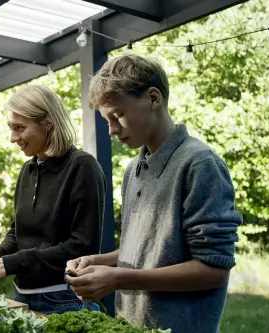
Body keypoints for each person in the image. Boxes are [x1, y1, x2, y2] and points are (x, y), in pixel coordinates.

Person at [65, 54, 242, 333]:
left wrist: (119, 279)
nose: (111, 130)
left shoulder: (200, 165)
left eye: (118, 115)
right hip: (131, 326)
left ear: (153, 98)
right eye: (106, 119)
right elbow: (150, 250)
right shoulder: (133, 168)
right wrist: (99, 262)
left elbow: (214, 271)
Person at [0, 85, 106, 315]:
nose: (13, 138)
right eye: (11, 129)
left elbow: (82, 246)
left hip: (64, 300)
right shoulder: (27, 170)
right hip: (21, 297)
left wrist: (13, 263)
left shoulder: (82, 167)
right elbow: (17, 232)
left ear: (48, 122)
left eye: (20, 128)